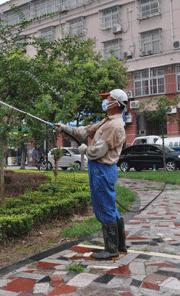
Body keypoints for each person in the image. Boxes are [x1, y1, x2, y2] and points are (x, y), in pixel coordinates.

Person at [56, 89, 128, 261]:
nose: (105, 102)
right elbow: (84, 131)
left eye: (108, 99)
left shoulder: (114, 125)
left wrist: (84, 150)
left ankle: (111, 250)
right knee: (110, 206)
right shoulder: (107, 121)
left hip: (102, 169)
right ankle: (120, 246)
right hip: (101, 169)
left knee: (105, 207)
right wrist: (65, 128)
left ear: (116, 104)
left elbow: (98, 151)